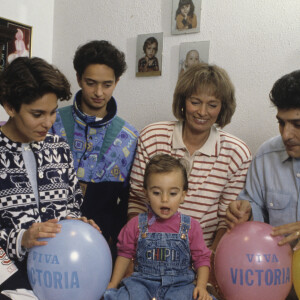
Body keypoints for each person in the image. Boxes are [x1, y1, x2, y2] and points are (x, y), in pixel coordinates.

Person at [128, 63, 252, 298]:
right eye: (195, 102)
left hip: (200, 260)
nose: (202, 112)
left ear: (222, 108)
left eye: (212, 105)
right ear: (183, 101)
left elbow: (227, 221)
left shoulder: (237, 152)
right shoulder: (152, 136)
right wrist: (135, 256)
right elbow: (136, 200)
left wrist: (207, 268)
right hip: (148, 257)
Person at [0, 57, 98, 297]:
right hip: (9, 273)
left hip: (59, 269)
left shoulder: (59, 148)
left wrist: (78, 225)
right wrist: (22, 238)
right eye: (37, 114)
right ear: (9, 107)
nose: (48, 123)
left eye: (53, 112)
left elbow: (73, 203)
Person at [51, 40, 138, 260]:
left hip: (103, 241)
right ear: (79, 78)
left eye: (107, 84)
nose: (99, 92)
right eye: (91, 83)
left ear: (117, 82)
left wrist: (114, 240)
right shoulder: (52, 122)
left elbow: (128, 200)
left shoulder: (128, 136)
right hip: (51, 234)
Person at [226, 70, 300, 300]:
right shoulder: (265, 156)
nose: (286, 134)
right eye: (281, 123)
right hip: (274, 284)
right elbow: (253, 204)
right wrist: (245, 212)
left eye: (297, 124)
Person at [104, 154, 217, 300]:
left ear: (183, 195)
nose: (164, 199)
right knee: (125, 296)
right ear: (146, 193)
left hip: (179, 285)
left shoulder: (191, 227)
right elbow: (124, 254)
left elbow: (202, 259)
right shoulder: (136, 224)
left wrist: (201, 287)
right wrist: (113, 283)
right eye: (156, 192)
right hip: (142, 283)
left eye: (173, 193)